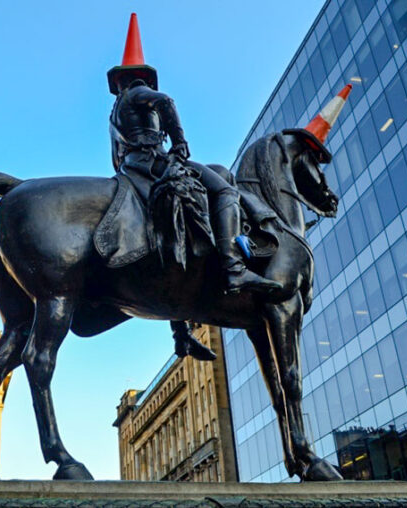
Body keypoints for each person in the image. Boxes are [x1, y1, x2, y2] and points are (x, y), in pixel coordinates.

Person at [107, 14, 281, 360]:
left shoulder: (115, 111)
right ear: (138, 78)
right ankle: (234, 268)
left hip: (132, 168)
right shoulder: (140, 92)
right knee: (225, 190)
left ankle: (181, 332)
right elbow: (167, 102)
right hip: (153, 161)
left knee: (177, 235)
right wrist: (180, 143)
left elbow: (117, 158)